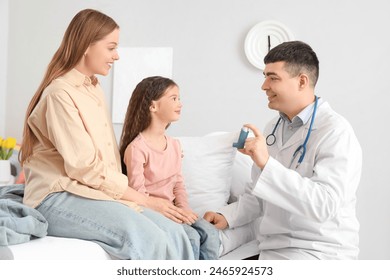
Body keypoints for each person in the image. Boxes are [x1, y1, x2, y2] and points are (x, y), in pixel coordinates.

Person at [19, 9, 195, 260]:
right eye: (111, 47)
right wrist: (145, 200)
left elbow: (104, 163)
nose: (117, 55)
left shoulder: (92, 89)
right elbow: (84, 167)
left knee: (175, 233)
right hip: (57, 196)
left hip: (90, 192)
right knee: (151, 238)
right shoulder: (60, 94)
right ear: (86, 46)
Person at [204, 41, 362, 260]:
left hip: (318, 251)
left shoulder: (335, 132)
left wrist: (266, 164)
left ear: (302, 81)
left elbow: (324, 205)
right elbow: (261, 192)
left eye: (273, 77)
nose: (264, 86)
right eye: (265, 76)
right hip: (273, 248)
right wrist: (227, 216)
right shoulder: (273, 128)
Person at [119, 76, 220, 260]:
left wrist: (184, 209)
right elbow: (138, 195)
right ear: (153, 106)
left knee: (211, 234)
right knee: (190, 237)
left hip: (174, 210)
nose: (180, 104)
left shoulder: (174, 144)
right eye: (173, 98)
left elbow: (178, 183)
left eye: (179, 98)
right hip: (152, 213)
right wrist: (170, 214)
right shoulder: (137, 148)